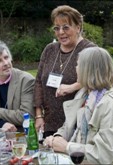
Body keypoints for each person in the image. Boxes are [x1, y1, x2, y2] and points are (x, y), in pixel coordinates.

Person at [44, 47, 113, 164]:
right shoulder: (84, 94)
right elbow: (69, 126)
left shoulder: (111, 104)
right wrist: (57, 138)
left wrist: (67, 147)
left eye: (78, 65)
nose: (75, 68)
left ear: (89, 70)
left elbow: (103, 154)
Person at [34, 5, 97, 138]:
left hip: (76, 124)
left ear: (78, 27)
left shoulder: (89, 50)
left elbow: (98, 80)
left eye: (66, 27)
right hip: (49, 122)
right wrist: (39, 115)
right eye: (57, 28)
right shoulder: (50, 49)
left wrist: (72, 86)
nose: (60, 32)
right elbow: (39, 81)